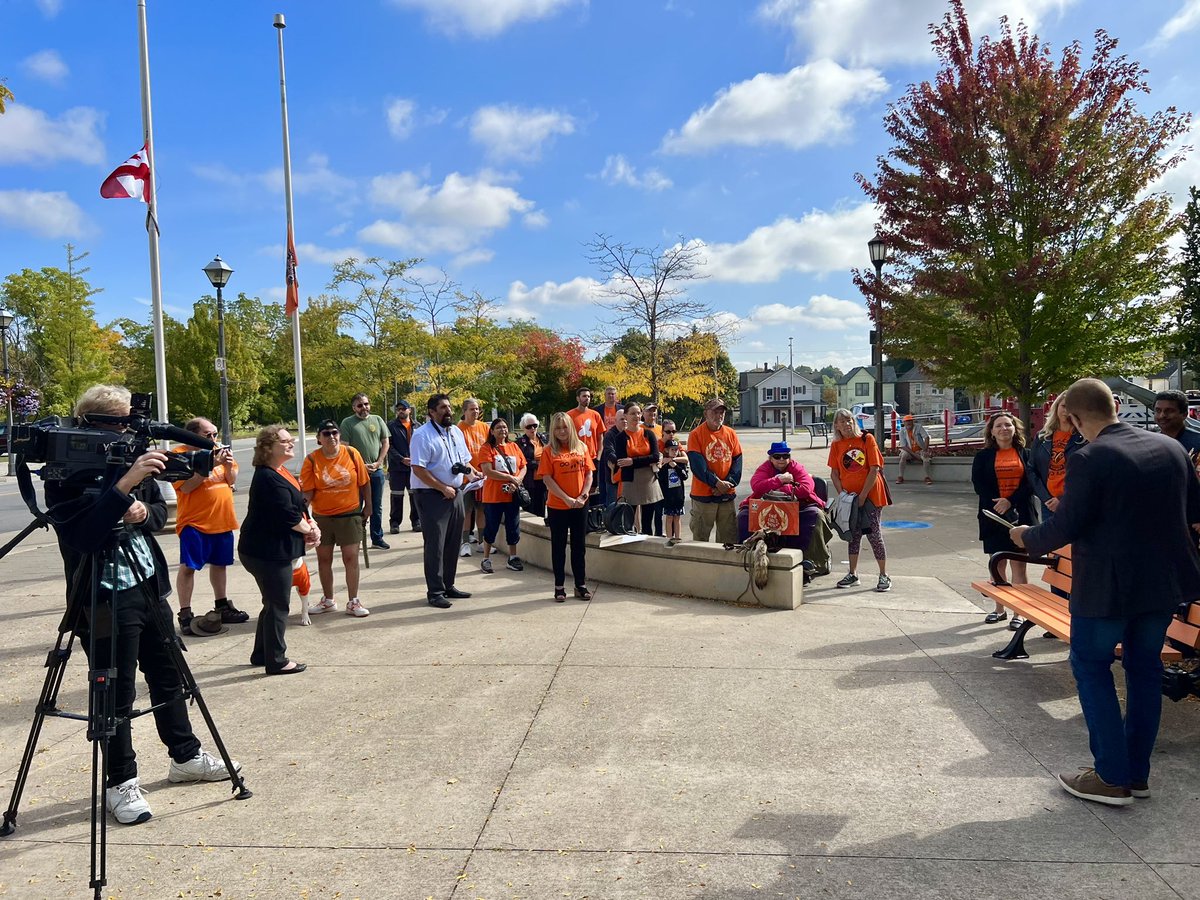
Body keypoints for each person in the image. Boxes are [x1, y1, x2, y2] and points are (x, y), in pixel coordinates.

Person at [44, 385, 239, 826]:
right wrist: (125, 486)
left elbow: (156, 518)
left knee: (170, 676)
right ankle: (120, 782)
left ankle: (185, 757)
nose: (131, 430)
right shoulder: (66, 470)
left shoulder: (135, 458)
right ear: (93, 424)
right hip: (101, 595)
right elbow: (81, 536)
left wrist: (138, 506)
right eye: (121, 421)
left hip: (147, 585)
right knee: (115, 693)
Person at [1012, 378, 1200, 807]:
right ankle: (1137, 774)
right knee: (1144, 670)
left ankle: (1111, 777)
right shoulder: (1172, 449)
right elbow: (1194, 512)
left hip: (1109, 589)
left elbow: (1066, 526)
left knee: (1091, 666)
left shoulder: (1090, 457)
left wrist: (1026, 537)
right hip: (1164, 585)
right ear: (1113, 407)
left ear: (1073, 418)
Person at [238, 425, 318, 675]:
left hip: (273, 549)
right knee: (279, 605)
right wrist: (310, 531)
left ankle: (262, 653)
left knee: (272, 603)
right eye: (284, 440)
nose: (291, 443)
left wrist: (311, 523)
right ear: (268, 447)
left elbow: (299, 506)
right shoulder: (267, 477)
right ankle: (276, 660)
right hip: (266, 553)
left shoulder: (280, 471)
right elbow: (288, 515)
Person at [172, 417, 248, 635]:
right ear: (193, 435)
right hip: (195, 522)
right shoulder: (181, 455)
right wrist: (208, 466)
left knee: (220, 564)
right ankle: (185, 613)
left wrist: (226, 465)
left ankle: (222, 605)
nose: (214, 439)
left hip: (222, 519)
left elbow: (231, 480)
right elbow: (186, 488)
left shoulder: (219, 451)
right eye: (209, 435)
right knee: (189, 567)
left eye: (215, 434)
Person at [410, 394, 480, 608]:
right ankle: (435, 592)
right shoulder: (422, 435)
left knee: (452, 543)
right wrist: (442, 488)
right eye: (442, 407)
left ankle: (448, 585)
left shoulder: (456, 432)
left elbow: (464, 460)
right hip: (432, 496)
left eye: (449, 406)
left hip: (456, 492)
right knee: (436, 545)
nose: (447, 411)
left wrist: (472, 474)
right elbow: (418, 469)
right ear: (432, 411)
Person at [299, 419, 371, 618]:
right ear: (319, 439)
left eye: (334, 432)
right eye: (326, 433)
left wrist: (369, 508)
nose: (331, 437)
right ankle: (328, 600)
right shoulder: (312, 460)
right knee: (324, 558)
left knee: (350, 558)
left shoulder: (351, 453)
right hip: (323, 517)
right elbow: (308, 492)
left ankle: (353, 601)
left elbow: (364, 483)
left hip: (349, 515)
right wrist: (299, 513)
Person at [971, 411, 1035, 626]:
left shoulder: (1026, 454)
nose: (1003, 429)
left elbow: (1031, 483)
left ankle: (1018, 612)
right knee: (997, 563)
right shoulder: (983, 456)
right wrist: (998, 503)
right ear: (991, 431)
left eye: (1008, 425)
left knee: (1019, 565)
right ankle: (999, 609)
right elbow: (979, 484)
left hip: (1021, 514)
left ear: (1015, 428)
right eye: (998, 426)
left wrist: (1010, 501)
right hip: (992, 515)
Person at [737, 441, 829, 579]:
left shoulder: (797, 467)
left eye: (785, 456)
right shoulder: (764, 468)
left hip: (798, 506)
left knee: (814, 516)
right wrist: (780, 480)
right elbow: (756, 486)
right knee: (744, 516)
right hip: (768, 506)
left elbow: (806, 488)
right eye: (777, 456)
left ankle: (809, 560)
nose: (781, 459)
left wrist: (778, 489)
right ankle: (748, 555)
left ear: (789, 457)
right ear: (771, 458)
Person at [828, 408, 891, 592]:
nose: (846, 424)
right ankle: (853, 574)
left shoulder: (866, 439)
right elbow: (834, 473)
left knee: (874, 534)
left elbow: (874, 469)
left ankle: (883, 575)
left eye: (849, 420)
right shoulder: (836, 445)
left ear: (854, 422)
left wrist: (863, 496)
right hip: (850, 499)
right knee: (852, 535)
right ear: (836, 426)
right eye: (842, 421)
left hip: (871, 496)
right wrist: (843, 495)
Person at [538, 412, 595, 602]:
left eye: (564, 427)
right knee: (559, 547)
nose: (562, 431)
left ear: (570, 427)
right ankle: (559, 587)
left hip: (580, 505)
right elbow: (547, 479)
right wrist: (566, 499)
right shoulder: (548, 451)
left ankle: (580, 585)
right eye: (558, 428)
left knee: (579, 547)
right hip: (558, 507)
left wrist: (583, 495)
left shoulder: (582, 447)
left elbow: (589, 473)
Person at [687, 398, 743, 544]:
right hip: (703, 496)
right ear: (706, 413)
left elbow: (737, 462)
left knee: (729, 539)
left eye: (722, 412)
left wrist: (728, 484)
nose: (719, 415)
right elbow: (698, 467)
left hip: (726, 495)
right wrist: (717, 483)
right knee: (700, 539)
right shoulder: (696, 434)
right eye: (715, 412)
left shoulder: (731, 433)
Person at [476, 417, 526, 574]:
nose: (502, 430)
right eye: (498, 427)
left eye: (504, 427)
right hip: (493, 496)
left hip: (512, 495)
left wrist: (516, 481)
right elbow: (488, 471)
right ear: (492, 431)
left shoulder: (514, 447)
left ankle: (513, 557)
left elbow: (523, 466)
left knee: (513, 527)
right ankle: (486, 558)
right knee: (491, 527)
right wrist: (510, 478)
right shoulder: (486, 448)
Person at [340, 393, 390, 550]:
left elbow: (385, 442)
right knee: (356, 506)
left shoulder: (377, 420)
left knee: (376, 506)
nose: (364, 408)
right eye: (360, 405)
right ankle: (356, 538)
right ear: (354, 407)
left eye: (366, 404)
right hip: (356, 473)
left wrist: (379, 462)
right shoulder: (348, 423)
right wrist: (361, 465)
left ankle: (377, 538)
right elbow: (345, 448)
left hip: (376, 471)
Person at [1027, 394, 1084, 524]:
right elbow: (1031, 469)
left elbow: (1086, 475)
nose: (1066, 411)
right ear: (1056, 407)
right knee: (1051, 543)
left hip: (1074, 502)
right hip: (1049, 503)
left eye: (1072, 407)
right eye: (1063, 406)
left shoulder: (1085, 438)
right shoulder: (1042, 437)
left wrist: (1062, 498)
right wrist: (1045, 498)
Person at [614, 401, 663, 530]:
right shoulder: (620, 438)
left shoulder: (649, 434)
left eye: (638, 413)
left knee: (647, 522)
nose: (636, 416)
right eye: (632, 413)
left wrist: (633, 461)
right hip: (630, 481)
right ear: (625, 416)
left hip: (648, 480)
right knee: (629, 522)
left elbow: (656, 457)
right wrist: (646, 460)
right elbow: (622, 462)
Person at [457, 397, 491, 557]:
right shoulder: (458, 429)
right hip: (467, 478)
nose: (475, 411)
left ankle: (481, 541)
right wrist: (471, 473)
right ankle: (464, 542)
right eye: (472, 409)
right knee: (467, 510)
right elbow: (460, 456)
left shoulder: (484, 427)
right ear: (464, 411)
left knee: (481, 510)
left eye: (477, 408)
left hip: (483, 477)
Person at [387, 399, 421, 534]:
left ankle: (416, 521)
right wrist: (401, 459)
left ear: (409, 410)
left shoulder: (417, 426)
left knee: (415, 496)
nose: (401, 411)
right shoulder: (391, 426)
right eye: (398, 409)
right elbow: (388, 446)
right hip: (397, 468)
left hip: (414, 468)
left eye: (403, 408)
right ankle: (394, 523)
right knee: (397, 496)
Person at [567, 387, 606, 501]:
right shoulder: (570, 415)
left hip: (592, 457)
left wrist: (598, 456)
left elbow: (600, 437)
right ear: (578, 398)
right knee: (578, 485)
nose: (587, 399)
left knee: (592, 487)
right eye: (584, 396)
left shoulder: (595, 415)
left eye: (588, 396)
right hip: (576, 456)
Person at [515, 413, 548, 518]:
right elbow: (521, 461)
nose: (532, 428)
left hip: (544, 480)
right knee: (530, 510)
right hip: (529, 481)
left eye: (535, 425)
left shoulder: (544, 439)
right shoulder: (520, 442)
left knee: (541, 508)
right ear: (524, 428)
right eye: (529, 427)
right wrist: (537, 464)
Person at [657, 439, 688, 540]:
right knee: (669, 518)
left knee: (677, 518)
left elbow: (685, 476)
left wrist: (675, 466)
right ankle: (669, 538)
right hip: (668, 496)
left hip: (678, 495)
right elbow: (660, 477)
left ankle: (677, 538)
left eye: (676, 450)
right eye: (672, 450)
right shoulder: (664, 464)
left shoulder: (680, 463)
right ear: (667, 450)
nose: (674, 452)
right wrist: (664, 465)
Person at [1153, 390, 1200, 454]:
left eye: (1169, 411)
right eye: (1158, 410)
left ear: (1184, 414)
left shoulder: (1197, 442)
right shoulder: (1149, 442)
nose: (1162, 415)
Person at [600, 408, 627, 508]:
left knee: (628, 507)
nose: (624, 421)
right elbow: (609, 453)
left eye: (626, 419)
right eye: (621, 419)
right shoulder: (609, 435)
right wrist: (624, 461)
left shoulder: (630, 433)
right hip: (614, 477)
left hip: (629, 477)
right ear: (615, 421)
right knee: (613, 507)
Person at [897, 414, 934, 485]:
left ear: (913, 421)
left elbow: (926, 437)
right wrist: (914, 455)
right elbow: (903, 446)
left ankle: (927, 477)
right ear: (904, 423)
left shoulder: (918, 427)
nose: (908, 423)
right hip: (909, 451)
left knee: (925, 458)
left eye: (910, 421)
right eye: (906, 421)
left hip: (920, 449)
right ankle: (900, 476)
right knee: (903, 456)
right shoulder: (902, 431)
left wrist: (925, 450)